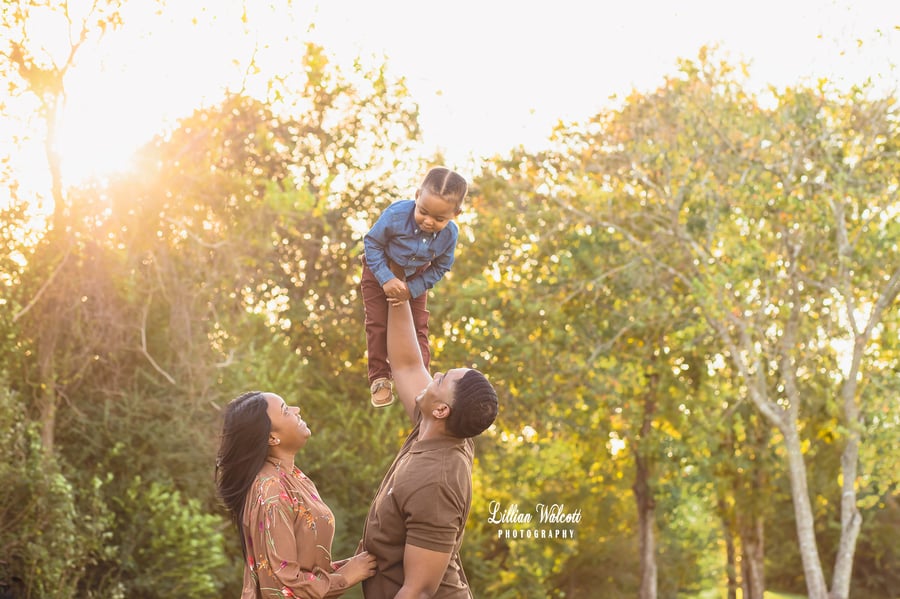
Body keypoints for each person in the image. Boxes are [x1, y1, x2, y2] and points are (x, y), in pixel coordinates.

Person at [359, 297, 499, 598]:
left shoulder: (437, 480)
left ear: (441, 410)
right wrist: (397, 296)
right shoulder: (433, 428)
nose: (432, 375)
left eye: (441, 379)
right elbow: (407, 364)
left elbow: (418, 591)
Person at [216, 391, 376, 598]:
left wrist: (352, 566)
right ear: (272, 437)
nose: (296, 410)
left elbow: (301, 572)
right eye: (285, 410)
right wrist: (347, 576)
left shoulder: (294, 478)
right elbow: (285, 585)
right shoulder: (271, 490)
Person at [360, 166, 468, 407]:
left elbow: (440, 267)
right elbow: (372, 242)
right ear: (417, 195)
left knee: (419, 326)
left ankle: (425, 384)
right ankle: (379, 377)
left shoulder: (450, 235)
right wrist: (385, 278)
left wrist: (412, 289)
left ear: (456, 213)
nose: (429, 221)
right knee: (377, 322)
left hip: (414, 278)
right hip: (378, 269)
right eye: (424, 212)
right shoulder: (396, 214)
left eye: (439, 219)